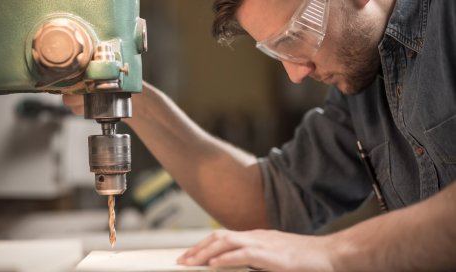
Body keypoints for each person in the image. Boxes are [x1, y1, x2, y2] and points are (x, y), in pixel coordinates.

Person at [64, 0, 456, 270]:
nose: (296, 73)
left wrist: (331, 253)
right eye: (276, 52)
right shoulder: (362, 87)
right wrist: (135, 99)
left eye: (296, 37)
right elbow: (271, 200)